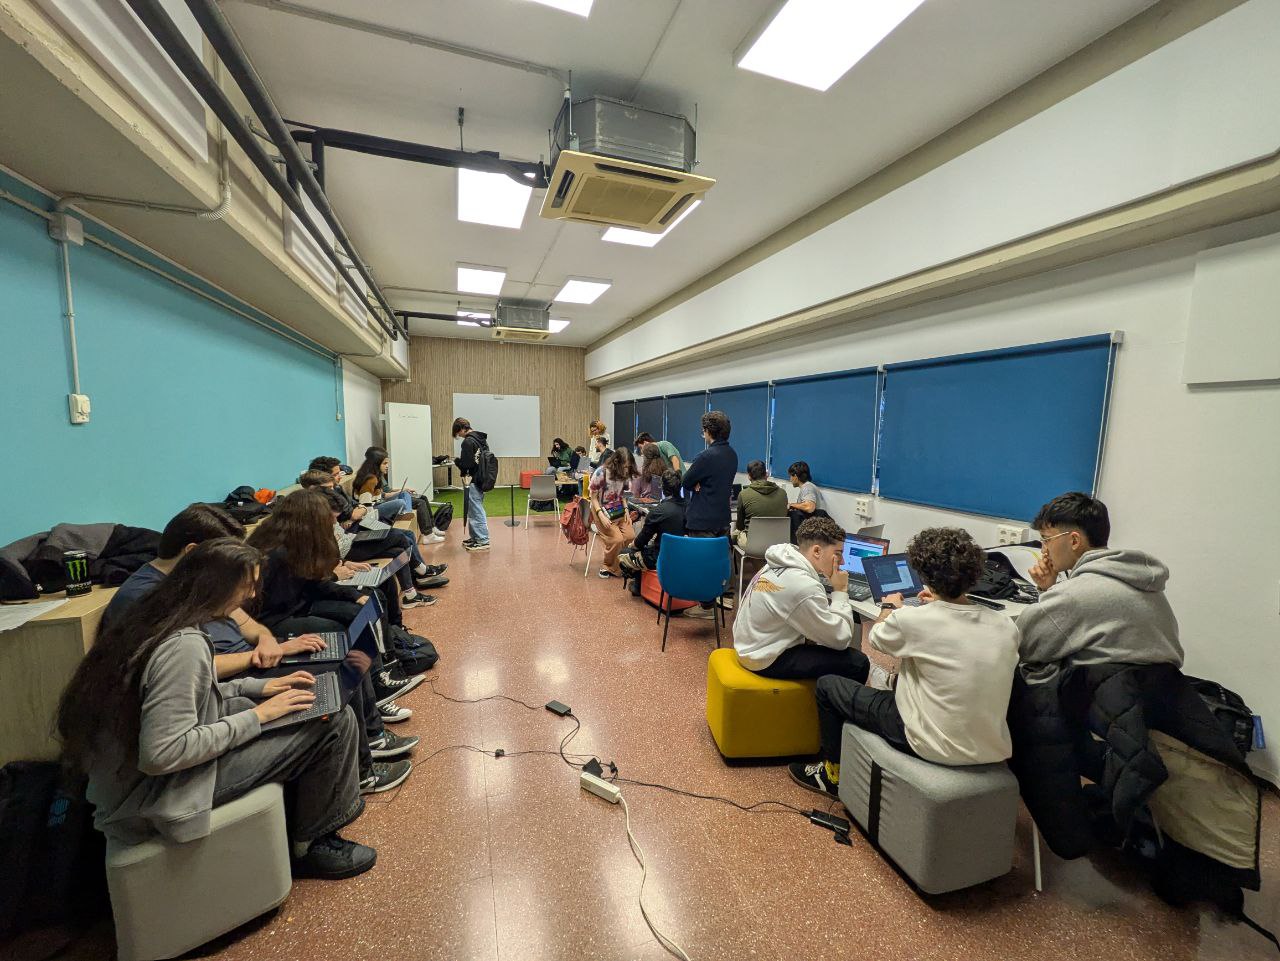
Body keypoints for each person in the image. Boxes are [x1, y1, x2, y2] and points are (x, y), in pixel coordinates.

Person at [57, 538, 375, 879]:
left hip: (135, 789)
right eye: (247, 586)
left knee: (282, 702)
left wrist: (257, 688)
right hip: (155, 799)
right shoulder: (184, 646)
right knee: (334, 722)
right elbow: (161, 754)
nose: (251, 595)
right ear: (218, 585)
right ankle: (314, 846)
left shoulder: (154, 620)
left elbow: (193, 692)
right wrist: (259, 715)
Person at [790, 527, 1020, 798]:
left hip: (929, 742)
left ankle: (832, 775)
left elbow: (876, 637)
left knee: (829, 686)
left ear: (923, 575)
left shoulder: (913, 620)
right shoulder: (1006, 626)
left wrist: (889, 606)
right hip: (990, 748)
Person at [247, 491, 419, 793]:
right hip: (274, 624)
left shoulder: (292, 545)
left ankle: (376, 703)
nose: (332, 521)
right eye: (325, 517)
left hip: (296, 607)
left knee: (359, 612)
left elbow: (313, 586)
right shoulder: (276, 555)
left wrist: (352, 594)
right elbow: (291, 601)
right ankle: (371, 740)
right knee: (344, 638)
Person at [102, 504, 327, 675]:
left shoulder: (201, 581)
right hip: (229, 682)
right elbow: (178, 672)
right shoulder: (142, 596)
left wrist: (267, 641)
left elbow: (248, 625)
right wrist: (260, 655)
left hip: (253, 663)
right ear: (193, 552)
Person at [1018, 492, 1183, 685]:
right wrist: (1049, 589)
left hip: (1098, 698)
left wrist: (1051, 594)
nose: (1044, 550)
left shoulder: (1074, 595)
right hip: (1156, 695)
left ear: (1074, 541)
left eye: (1046, 540)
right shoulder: (1144, 581)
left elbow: (1020, 643)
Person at [734, 516, 868, 682]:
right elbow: (841, 639)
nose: (842, 561)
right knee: (858, 663)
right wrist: (840, 591)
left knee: (821, 639)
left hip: (748, 646)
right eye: (838, 554)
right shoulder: (804, 586)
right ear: (817, 551)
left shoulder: (780, 560)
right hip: (764, 659)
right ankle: (829, 697)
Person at [298, 468, 447, 598]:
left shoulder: (330, 499)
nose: (332, 489)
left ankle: (411, 594)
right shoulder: (313, 513)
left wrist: (358, 512)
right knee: (399, 536)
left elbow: (355, 511)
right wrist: (343, 562)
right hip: (349, 547)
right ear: (313, 489)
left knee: (399, 549)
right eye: (328, 487)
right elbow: (352, 516)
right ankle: (421, 571)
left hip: (351, 539)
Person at [681, 410, 738, 617]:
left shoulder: (706, 456)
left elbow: (686, 481)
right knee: (723, 558)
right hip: (722, 516)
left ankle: (706, 606)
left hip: (702, 517)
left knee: (703, 563)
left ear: (708, 431)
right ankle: (727, 597)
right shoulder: (732, 454)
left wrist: (698, 483)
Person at [618, 470, 685, 575]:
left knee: (624, 553)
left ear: (662, 487)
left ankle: (638, 583)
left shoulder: (657, 512)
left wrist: (631, 546)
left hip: (659, 558)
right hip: (683, 556)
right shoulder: (690, 508)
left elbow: (640, 543)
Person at [589, 446, 639, 579]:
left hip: (618, 509)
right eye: (625, 466)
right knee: (617, 539)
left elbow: (622, 495)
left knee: (630, 536)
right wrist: (601, 515)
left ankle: (620, 563)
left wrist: (626, 510)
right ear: (616, 462)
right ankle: (608, 566)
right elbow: (593, 498)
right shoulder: (601, 473)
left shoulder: (624, 474)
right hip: (601, 510)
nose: (627, 470)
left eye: (628, 467)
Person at [452, 418, 491, 552]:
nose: (459, 435)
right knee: (474, 509)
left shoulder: (468, 442)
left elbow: (467, 465)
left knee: (476, 510)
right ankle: (475, 537)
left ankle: (483, 540)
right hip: (481, 478)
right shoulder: (481, 439)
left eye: (458, 432)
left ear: (463, 429)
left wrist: (457, 462)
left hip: (472, 480)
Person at [735, 459, 789, 549]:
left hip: (753, 545)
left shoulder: (743, 494)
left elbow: (740, 526)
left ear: (749, 476)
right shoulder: (783, 493)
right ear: (766, 474)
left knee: (735, 534)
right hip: (779, 544)